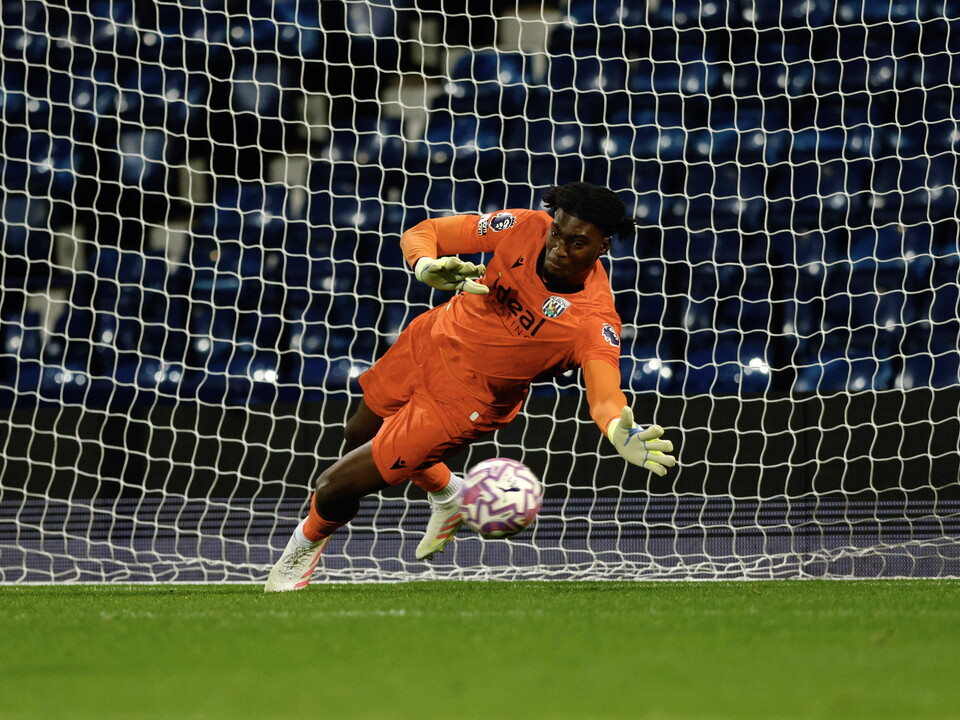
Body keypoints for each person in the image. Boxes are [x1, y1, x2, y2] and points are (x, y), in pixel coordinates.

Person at [264, 181, 677, 591]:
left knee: (333, 488)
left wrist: (616, 428)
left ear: (602, 247)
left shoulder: (593, 320)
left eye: (576, 243)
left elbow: (604, 394)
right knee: (357, 433)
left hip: (463, 403)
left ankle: (299, 553)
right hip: (431, 338)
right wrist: (425, 266)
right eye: (556, 232)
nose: (558, 248)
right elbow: (425, 233)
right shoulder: (524, 225)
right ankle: (449, 494)